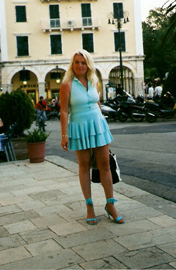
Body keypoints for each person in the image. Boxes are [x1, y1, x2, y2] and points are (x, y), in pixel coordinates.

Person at [59, 49, 124, 225]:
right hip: (79, 128)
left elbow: (97, 104)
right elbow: (64, 111)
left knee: (105, 165)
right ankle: (89, 206)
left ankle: (111, 205)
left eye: (83, 62)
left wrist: (101, 122)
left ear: (88, 64)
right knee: (84, 166)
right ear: (72, 65)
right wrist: (64, 135)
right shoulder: (67, 85)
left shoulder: (93, 81)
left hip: (98, 126)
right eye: (76, 62)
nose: (80, 65)